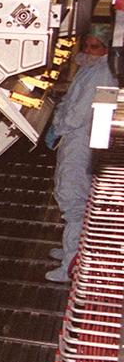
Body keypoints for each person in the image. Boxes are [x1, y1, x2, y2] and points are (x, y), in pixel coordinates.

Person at [44, 24, 117, 283]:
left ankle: (71, 265)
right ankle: (70, 249)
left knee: (72, 198)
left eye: (94, 46)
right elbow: (70, 101)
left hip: (80, 141)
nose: (88, 50)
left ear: (107, 48)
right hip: (77, 138)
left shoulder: (103, 74)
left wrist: (57, 125)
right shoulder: (91, 69)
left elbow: (78, 114)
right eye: (86, 45)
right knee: (71, 194)